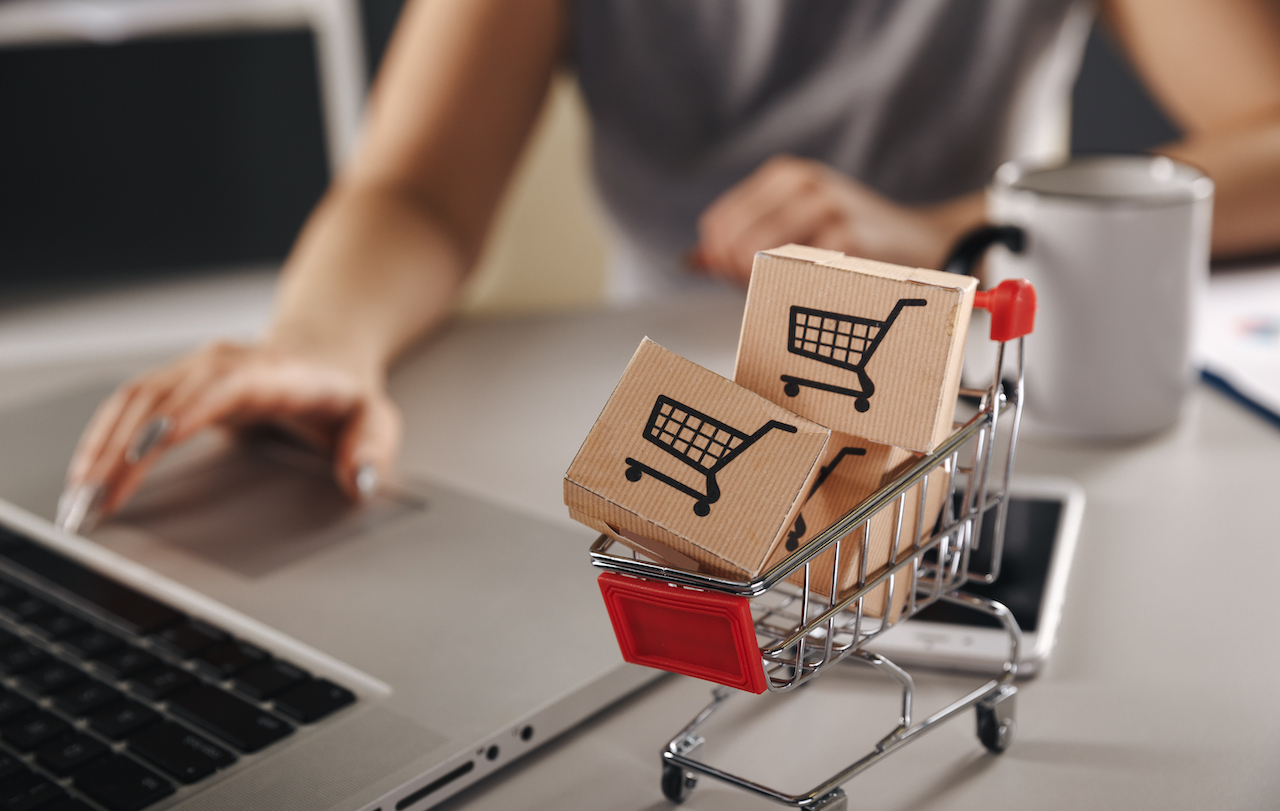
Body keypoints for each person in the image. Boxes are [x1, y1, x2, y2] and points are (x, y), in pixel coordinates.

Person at [56, 0, 1280, 532]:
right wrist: (317, 343)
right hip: (671, 366)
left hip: (955, 364)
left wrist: (937, 227)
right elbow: (415, 189)